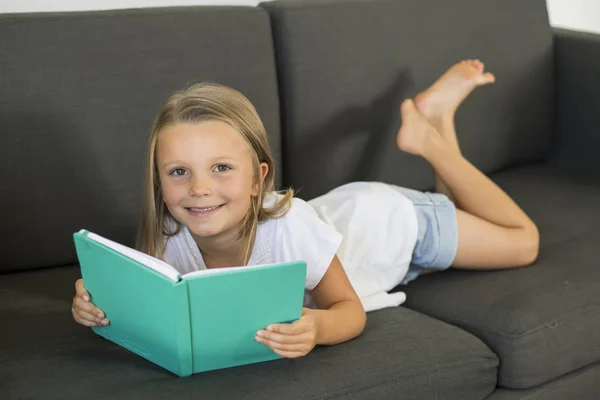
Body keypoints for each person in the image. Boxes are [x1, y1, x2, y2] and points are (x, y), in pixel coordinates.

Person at [72, 59, 539, 359]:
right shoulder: (172, 233)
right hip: (375, 253)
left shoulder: (289, 227)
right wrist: (98, 303)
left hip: (395, 223)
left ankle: (429, 141)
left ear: (258, 178)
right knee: (465, 215)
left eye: (219, 168)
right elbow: (151, 303)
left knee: (521, 241)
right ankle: (436, 114)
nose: (198, 189)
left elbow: (349, 311)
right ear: (159, 181)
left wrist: (316, 327)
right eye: (178, 172)